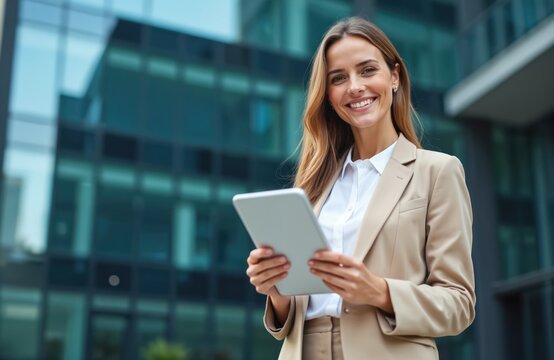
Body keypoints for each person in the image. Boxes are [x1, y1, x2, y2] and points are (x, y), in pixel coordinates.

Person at [245, 16, 475, 360]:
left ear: (394, 77)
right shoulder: (314, 184)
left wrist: (380, 291)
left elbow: (459, 304)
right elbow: (295, 313)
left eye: (367, 70)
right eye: (339, 78)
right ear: (328, 95)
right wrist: (277, 290)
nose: (354, 86)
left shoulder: (437, 171)